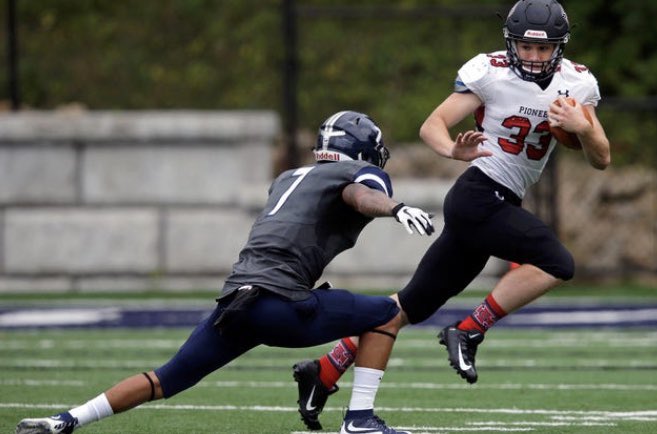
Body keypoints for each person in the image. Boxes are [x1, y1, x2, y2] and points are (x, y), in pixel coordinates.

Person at [292, 0, 611, 430]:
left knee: (407, 306)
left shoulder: (577, 83)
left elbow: (602, 159)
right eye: (526, 48)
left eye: (543, 49)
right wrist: (452, 151)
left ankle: (325, 370)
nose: (534, 58)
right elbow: (433, 125)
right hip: (477, 195)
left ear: (559, 47)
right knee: (558, 262)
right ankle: (470, 330)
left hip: (501, 202)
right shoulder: (490, 72)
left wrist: (584, 126)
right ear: (511, 43)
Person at [15, 110, 434, 434]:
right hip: (283, 303)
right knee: (386, 313)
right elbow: (357, 194)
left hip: (237, 300)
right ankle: (359, 418)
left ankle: (66, 419)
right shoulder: (355, 174)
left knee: (165, 379)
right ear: (362, 150)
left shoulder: (287, 176)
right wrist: (395, 208)